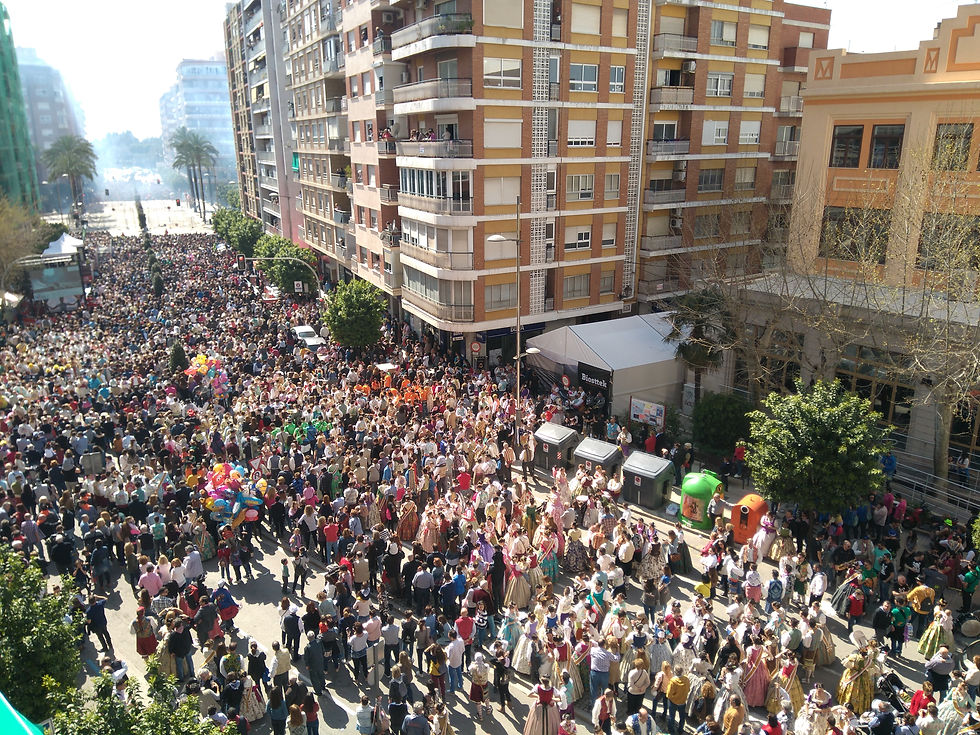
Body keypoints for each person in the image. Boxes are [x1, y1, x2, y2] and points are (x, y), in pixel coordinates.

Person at [667, 667, 691, 735]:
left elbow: (669, 694)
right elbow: (688, 689)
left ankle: (671, 730)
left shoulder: (673, 681)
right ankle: (680, 729)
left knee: (672, 716)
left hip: (673, 701)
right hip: (682, 701)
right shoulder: (686, 679)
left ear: (675, 671)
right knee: (682, 717)